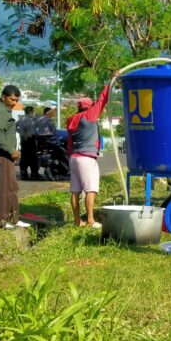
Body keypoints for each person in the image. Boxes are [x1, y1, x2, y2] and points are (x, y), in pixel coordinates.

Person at [67, 75, 117, 227]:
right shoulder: (89, 115)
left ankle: (77, 221)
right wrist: (111, 82)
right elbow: (102, 100)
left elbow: (69, 142)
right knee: (90, 189)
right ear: (89, 106)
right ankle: (90, 220)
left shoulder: (71, 119)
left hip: (74, 158)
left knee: (75, 190)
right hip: (86, 159)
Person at [0, 86, 29, 229]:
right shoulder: (0, 111)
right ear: (3, 97)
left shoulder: (6, 111)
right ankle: (0, 220)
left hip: (8, 156)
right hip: (3, 155)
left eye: (16, 100)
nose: (14, 102)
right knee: (4, 188)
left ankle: (13, 219)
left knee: (12, 187)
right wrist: (11, 150)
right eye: (12, 99)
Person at [17, 106, 39, 180]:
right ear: (31, 111)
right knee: (33, 158)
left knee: (24, 157)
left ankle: (24, 174)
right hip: (30, 138)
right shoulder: (31, 119)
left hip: (23, 139)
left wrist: (21, 133)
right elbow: (32, 128)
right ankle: (34, 174)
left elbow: (16, 126)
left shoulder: (21, 119)